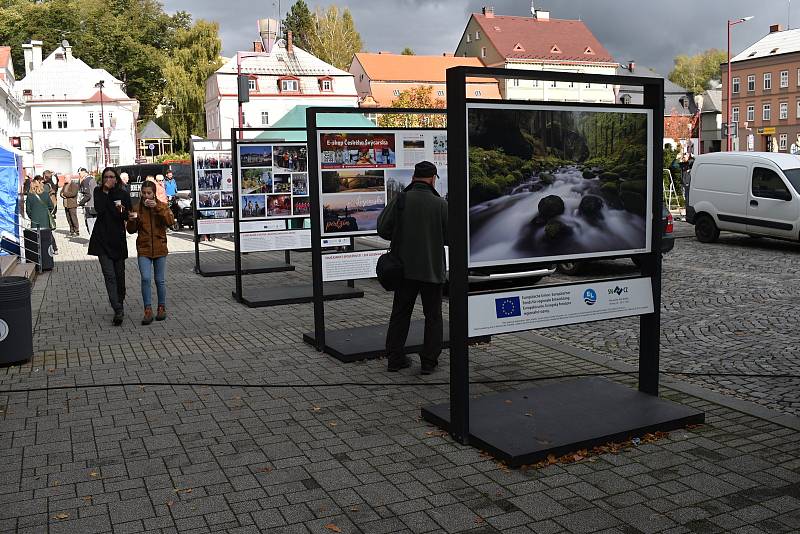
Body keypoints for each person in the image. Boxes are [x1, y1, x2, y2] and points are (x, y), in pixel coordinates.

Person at [377, 161, 447, 374]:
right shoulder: (441, 204)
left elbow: (382, 228)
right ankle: (428, 362)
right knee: (433, 316)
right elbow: (452, 236)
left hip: (403, 270)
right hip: (432, 270)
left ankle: (395, 359)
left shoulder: (401, 199)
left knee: (400, 314)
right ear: (433, 178)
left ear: (414, 178)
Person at [88, 167, 132, 326]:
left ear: (117, 179)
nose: (109, 179)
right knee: (110, 276)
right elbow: (99, 209)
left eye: (111, 177)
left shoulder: (123, 194)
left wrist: (126, 212)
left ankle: (119, 301)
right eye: (106, 177)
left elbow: (128, 215)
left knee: (120, 277)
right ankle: (118, 309)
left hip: (118, 241)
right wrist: (106, 191)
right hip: (102, 241)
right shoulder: (99, 192)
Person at [127, 180, 174, 324]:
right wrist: (132, 220)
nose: (146, 196)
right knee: (146, 279)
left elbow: (170, 222)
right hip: (144, 248)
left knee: (159, 280)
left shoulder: (162, 206)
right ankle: (147, 310)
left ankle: (161, 307)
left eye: (149, 193)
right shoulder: (137, 208)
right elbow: (131, 230)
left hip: (160, 247)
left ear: (154, 194)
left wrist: (158, 208)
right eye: (144, 193)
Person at [25, 175, 58, 255]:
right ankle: (50, 251)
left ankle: (38, 253)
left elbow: (28, 210)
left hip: (34, 220)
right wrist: (46, 212)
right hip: (45, 220)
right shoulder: (46, 194)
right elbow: (51, 206)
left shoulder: (29, 196)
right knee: (47, 236)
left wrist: (32, 216)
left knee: (36, 237)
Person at [78, 167, 97, 234]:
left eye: (79, 173)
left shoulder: (86, 181)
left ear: (84, 172)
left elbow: (87, 195)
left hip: (89, 206)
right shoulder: (93, 179)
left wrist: (80, 203)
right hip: (95, 205)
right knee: (95, 223)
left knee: (90, 224)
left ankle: (93, 241)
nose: (79, 175)